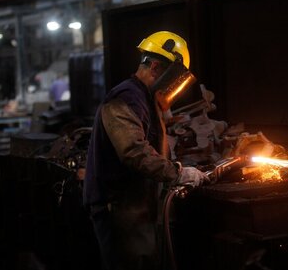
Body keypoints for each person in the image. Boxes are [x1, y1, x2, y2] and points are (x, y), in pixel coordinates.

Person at [84, 31, 208, 270]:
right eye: (173, 76)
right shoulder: (126, 97)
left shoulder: (144, 98)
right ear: (154, 66)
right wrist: (178, 173)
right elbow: (133, 151)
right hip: (117, 206)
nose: (174, 85)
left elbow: (154, 146)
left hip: (133, 204)